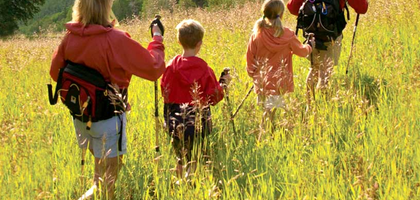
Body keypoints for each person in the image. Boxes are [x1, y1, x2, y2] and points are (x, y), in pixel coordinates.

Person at [49, 0, 165, 199]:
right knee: (107, 183)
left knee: (101, 172)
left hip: (81, 116)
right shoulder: (116, 39)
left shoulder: (70, 38)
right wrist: (157, 37)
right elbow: (154, 68)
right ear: (106, 7)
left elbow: (55, 73)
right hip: (108, 119)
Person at [161, 19, 229, 178]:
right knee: (195, 155)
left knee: (180, 155)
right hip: (198, 120)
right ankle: (191, 182)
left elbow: (164, 90)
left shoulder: (171, 66)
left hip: (174, 118)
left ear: (179, 41)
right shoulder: (204, 69)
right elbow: (215, 97)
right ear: (199, 43)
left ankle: (180, 182)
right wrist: (223, 84)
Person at [246, 0, 314, 139]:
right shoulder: (287, 35)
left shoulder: (256, 34)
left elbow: (250, 59)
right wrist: (310, 45)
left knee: (267, 112)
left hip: (262, 82)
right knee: (269, 115)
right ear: (281, 15)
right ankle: (265, 140)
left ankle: (266, 139)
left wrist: (254, 76)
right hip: (279, 83)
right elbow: (302, 52)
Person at [287, 0, 368, 107]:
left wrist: (314, 16)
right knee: (325, 72)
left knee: (314, 68)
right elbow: (362, 8)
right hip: (331, 35)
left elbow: (292, 8)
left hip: (312, 36)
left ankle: (310, 105)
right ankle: (323, 108)